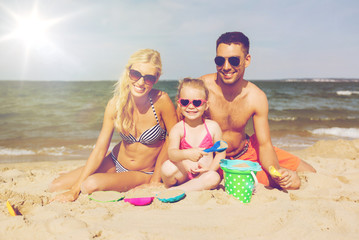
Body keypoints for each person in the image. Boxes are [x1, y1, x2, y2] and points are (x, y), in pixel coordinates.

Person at [49, 49, 178, 202]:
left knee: (90, 184)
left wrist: (155, 180)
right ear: (128, 71)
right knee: (55, 186)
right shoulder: (115, 105)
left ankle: (106, 179)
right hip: (115, 161)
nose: (141, 82)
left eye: (148, 78)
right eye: (136, 74)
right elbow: (100, 149)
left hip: (143, 172)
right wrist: (73, 189)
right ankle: (104, 178)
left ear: (156, 78)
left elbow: (173, 137)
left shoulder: (161, 101)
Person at [200, 32, 316, 190]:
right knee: (279, 183)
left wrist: (276, 170)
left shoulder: (256, 97)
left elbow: (265, 145)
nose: (226, 67)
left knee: (309, 172)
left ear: (246, 60)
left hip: (248, 150)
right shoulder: (202, 87)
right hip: (215, 158)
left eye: (234, 60)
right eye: (220, 60)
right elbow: (179, 129)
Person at [161, 78, 225, 191]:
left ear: (206, 105)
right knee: (166, 168)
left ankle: (177, 190)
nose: (191, 107)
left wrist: (210, 169)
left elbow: (220, 153)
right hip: (184, 173)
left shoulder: (213, 127)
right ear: (179, 105)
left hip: (203, 175)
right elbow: (172, 154)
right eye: (185, 102)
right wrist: (186, 155)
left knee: (214, 177)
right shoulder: (178, 129)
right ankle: (187, 187)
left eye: (197, 103)